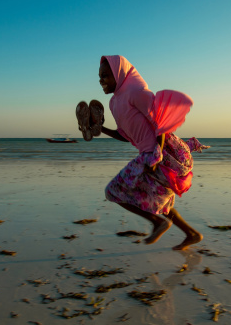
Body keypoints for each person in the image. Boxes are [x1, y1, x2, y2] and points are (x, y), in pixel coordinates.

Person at [81, 55, 209, 250]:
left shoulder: (137, 92)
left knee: (113, 191)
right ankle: (192, 234)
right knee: (159, 199)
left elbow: (160, 123)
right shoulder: (114, 103)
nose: (101, 81)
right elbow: (126, 135)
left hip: (165, 153)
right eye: (99, 77)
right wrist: (100, 128)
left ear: (119, 73)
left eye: (105, 76)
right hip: (149, 154)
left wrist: (156, 155)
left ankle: (158, 223)